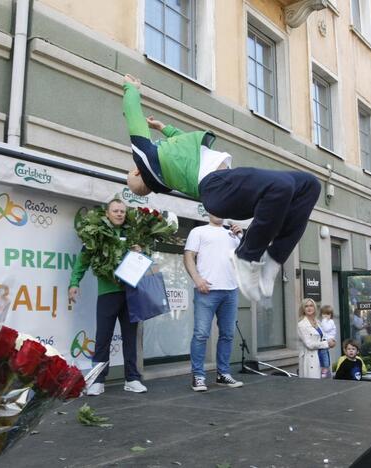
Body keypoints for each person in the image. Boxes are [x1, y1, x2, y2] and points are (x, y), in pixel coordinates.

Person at [120, 74, 320, 302]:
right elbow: (134, 118)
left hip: (227, 186)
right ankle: (245, 257)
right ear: (137, 171)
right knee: (281, 187)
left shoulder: (168, 164)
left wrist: (164, 128)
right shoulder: (146, 157)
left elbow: (183, 142)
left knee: (309, 185)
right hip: (217, 188)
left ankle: (273, 260)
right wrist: (132, 88)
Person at [68, 199, 147, 396]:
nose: (119, 214)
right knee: (103, 337)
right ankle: (97, 380)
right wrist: (74, 283)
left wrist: (141, 251)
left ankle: (132, 379)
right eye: (115, 211)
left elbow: (144, 261)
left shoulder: (132, 234)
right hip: (107, 293)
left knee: (130, 338)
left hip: (131, 294)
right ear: (108, 213)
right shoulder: (97, 233)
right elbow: (83, 260)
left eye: (122, 211)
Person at [183, 214, 244, 391]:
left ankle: (223, 374)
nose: (218, 213)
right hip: (206, 290)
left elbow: (246, 257)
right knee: (201, 334)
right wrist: (197, 279)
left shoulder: (232, 235)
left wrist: (242, 236)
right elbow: (188, 257)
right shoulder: (198, 231)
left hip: (230, 291)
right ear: (208, 211)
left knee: (227, 334)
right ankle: (198, 376)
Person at [297, 298, 334, 379]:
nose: (309, 308)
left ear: (314, 307)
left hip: (323, 357)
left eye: (311, 305)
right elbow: (309, 344)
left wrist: (331, 342)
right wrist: (327, 343)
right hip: (311, 358)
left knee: (325, 384)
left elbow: (323, 337)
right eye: (306, 306)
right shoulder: (302, 324)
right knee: (314, 385)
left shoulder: (317, 322)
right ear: (303, 309)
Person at [319, 305, 337, 378]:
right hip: (325, 339)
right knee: (324, 353)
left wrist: (324, 321)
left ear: (331, 315)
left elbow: (326, 329)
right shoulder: (325, 321)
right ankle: (324, 367)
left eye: (328, 314)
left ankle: (325, 367)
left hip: (329, 339)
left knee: (324, 353)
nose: (326, 316)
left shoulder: (330, 322)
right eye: (324, 314)